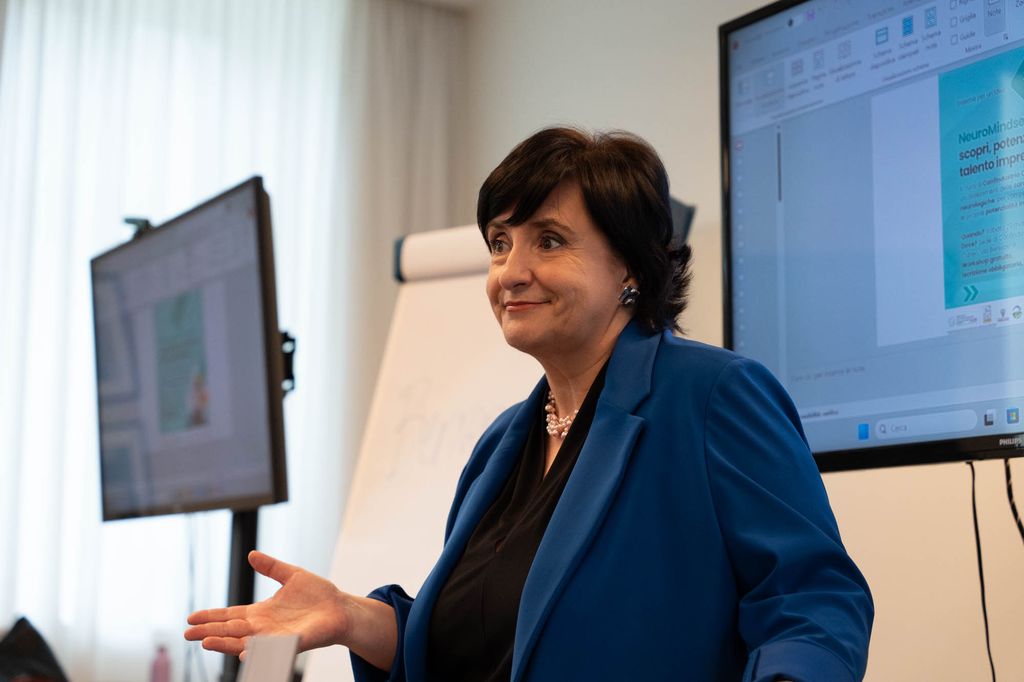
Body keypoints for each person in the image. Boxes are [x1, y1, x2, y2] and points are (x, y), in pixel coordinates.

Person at [185, 127, 873, 681]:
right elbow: (480, 648)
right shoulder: (501, 445)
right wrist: (349, 615)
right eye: (499, 244)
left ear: (630, 266)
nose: (511, 272)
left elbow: (814, 603)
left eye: (549, 240)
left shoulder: (713, 395)